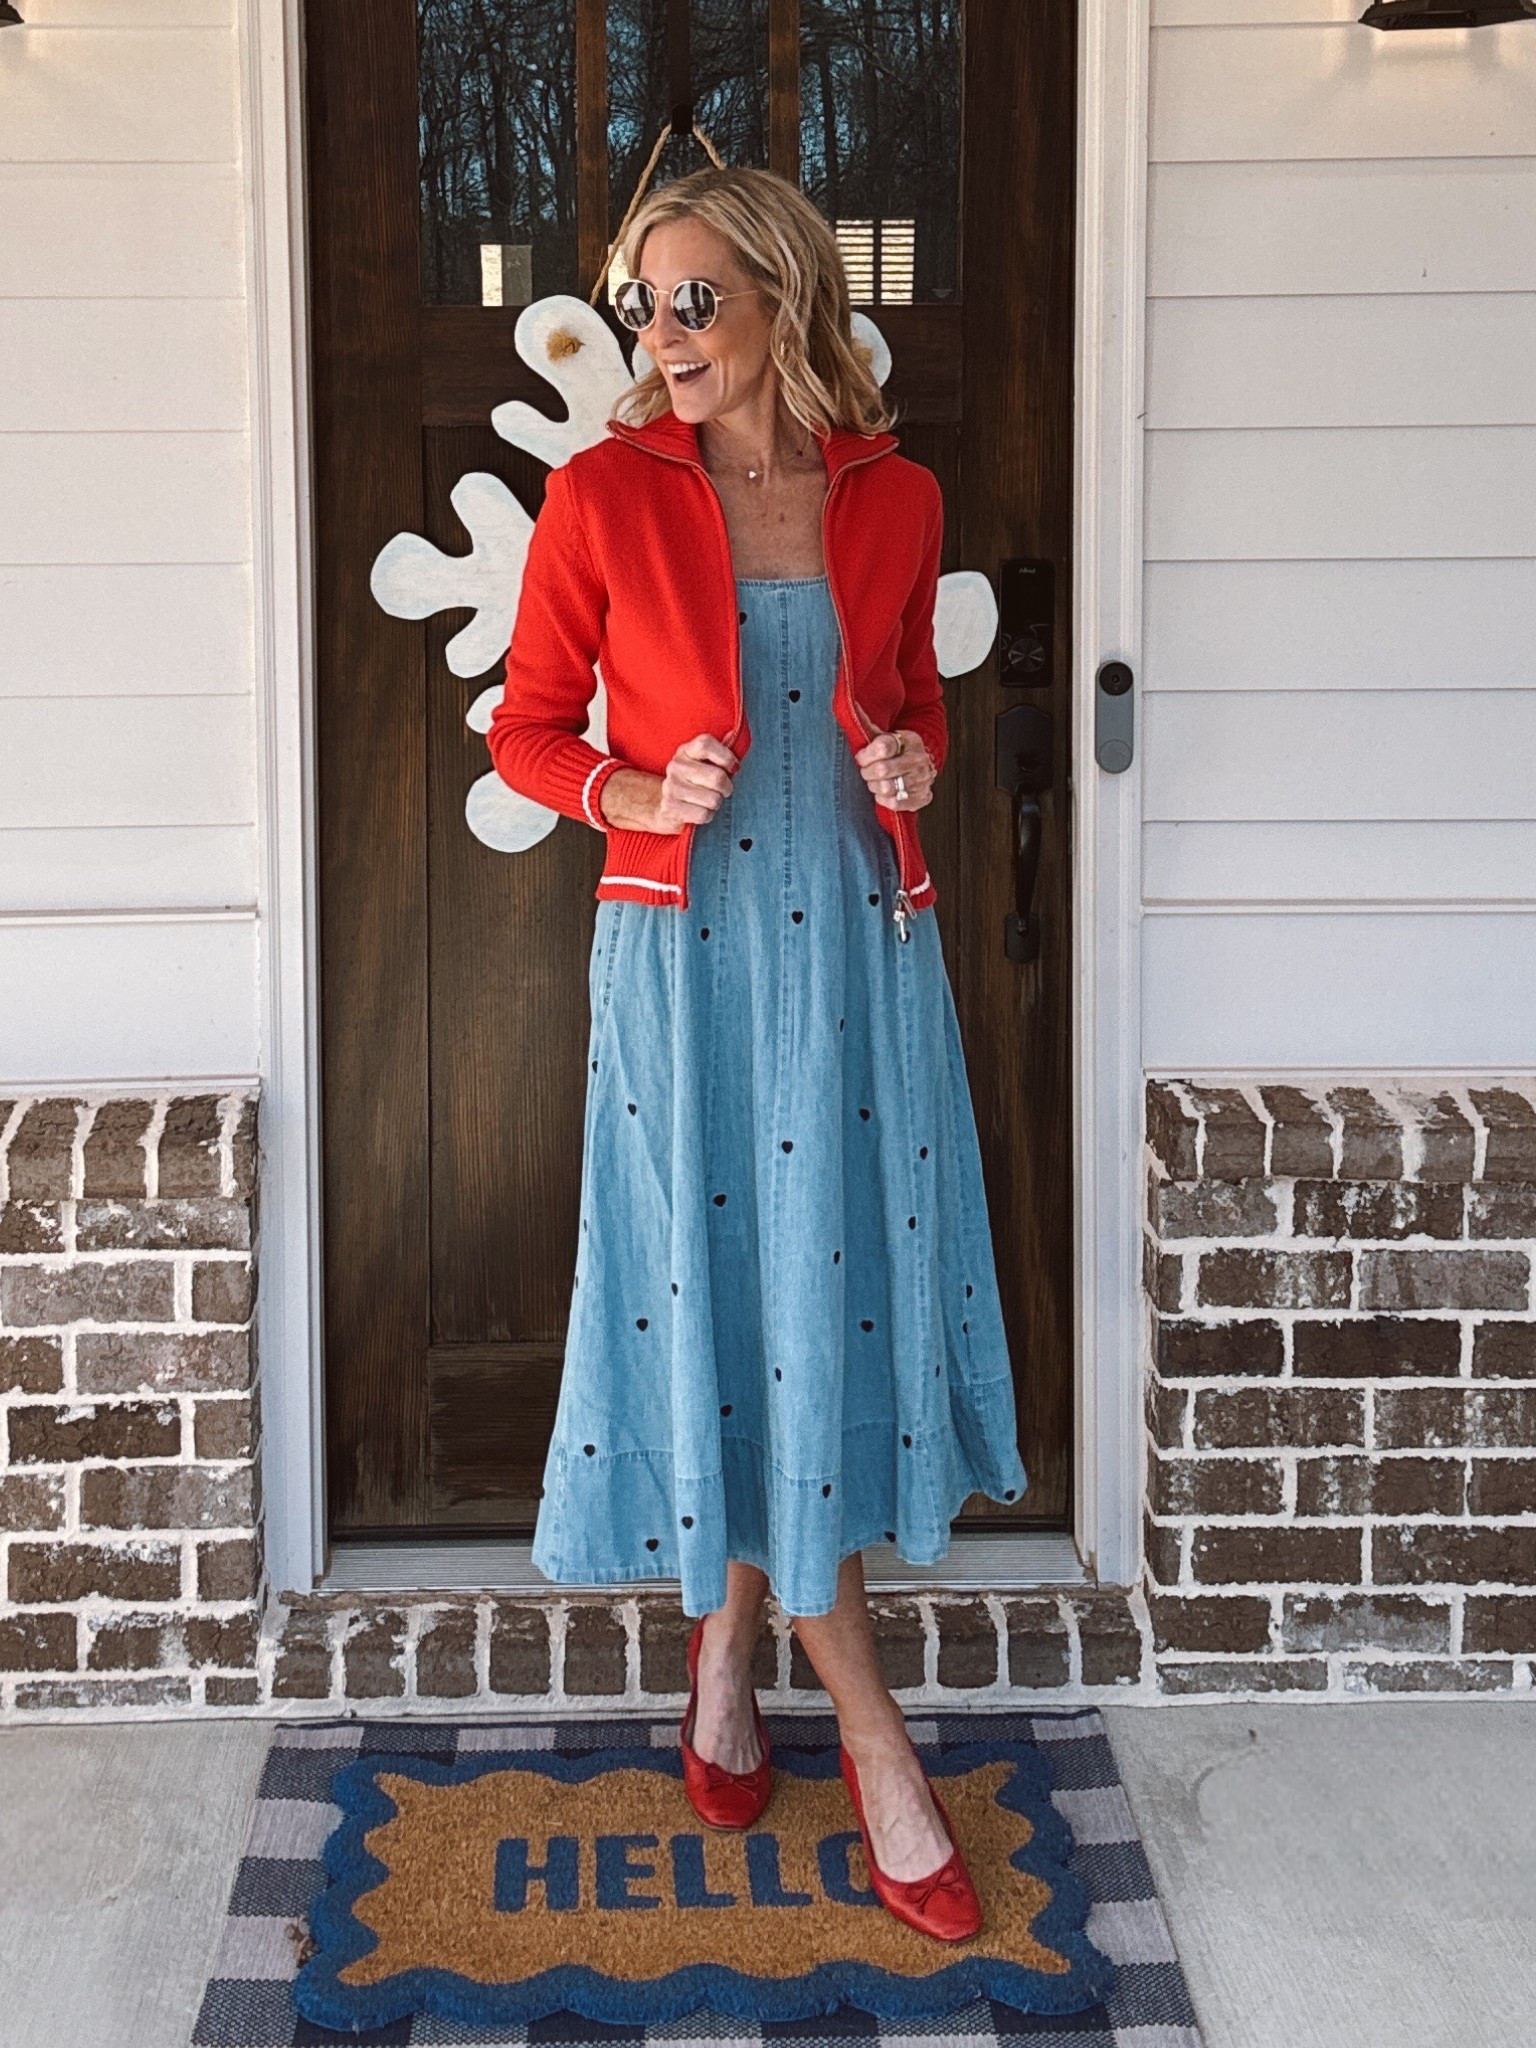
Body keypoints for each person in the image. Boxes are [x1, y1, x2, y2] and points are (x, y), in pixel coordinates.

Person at [487, 164, 1028, 1944]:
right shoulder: (600, 494)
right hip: (685, 956)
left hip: (864, 960)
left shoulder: (898, 494)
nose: (663, 336)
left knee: (816, 1294)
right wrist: (634, 789)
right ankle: (876, 1745)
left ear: (787, 296)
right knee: (734, 1281)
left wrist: (912, 768)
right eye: (647, 304)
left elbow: (916, 706)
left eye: (696, 300)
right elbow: (530, 737)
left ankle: (728, 1655)